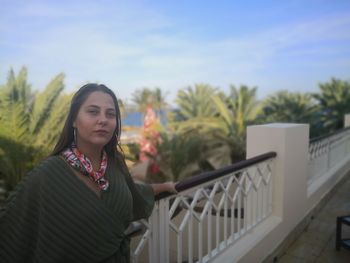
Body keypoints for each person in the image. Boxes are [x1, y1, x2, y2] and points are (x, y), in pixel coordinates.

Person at [0, 83, 176, 263]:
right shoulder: (48, 173)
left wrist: (165, 186)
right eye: (93, 112)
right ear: (74, 121)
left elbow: (132, 192)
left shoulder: (115, 163)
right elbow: (13, 223)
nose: (103, 120)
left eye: (110, 114)